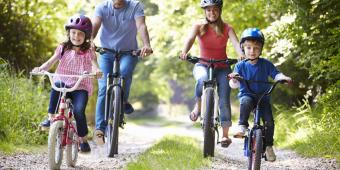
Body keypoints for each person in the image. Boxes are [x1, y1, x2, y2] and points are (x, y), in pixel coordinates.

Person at [179, 0, 245, 148]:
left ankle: (225, 135)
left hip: (222, 66)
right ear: (205, 12)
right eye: (208, 10)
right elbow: (190, 40)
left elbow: (235, 43)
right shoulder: (199, 26)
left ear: (220, 11)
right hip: (202, 64)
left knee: (224, 98)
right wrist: (184, 51)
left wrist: (241, 54)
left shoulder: (227, 28)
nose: (212, 13)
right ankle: (198, 106)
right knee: (202, 79)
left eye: (215, 10)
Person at [31, 15, 102, 152]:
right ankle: (51, 117)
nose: (76, 36)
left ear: (86, 36)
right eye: (73, 32)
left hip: (80, 86)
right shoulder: (63, 48)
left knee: (78, 111)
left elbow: (94, 64)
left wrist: (97, 70)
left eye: (80, 33)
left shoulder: (88, 51)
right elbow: (51, 62)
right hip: (63, 81)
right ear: (68, 33)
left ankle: (82, 139)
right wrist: (40, 68)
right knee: (56, 85)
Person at [92, 0, 153, 144]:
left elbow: (141, 25)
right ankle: (100, 129)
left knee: (125, 73)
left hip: (129, 52)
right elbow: (95, 24)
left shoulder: (135, 6)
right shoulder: (102, 7)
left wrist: (146, 44)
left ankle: (122, 99)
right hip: (106, 52)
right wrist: (89, 39)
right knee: (103, 88)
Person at [228, 28, 292, 161]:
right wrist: (234, 78)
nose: (252, 51)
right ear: (243, 48)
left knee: (269, 122)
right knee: (245, 102)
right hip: (248, 95)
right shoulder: (240, 66)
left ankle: (268, 146)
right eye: (249, 48)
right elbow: (234, 84)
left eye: (256, 48)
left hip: (263, 97)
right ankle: (242, 126)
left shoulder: (266, 64)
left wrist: (283, 78)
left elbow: (276, 74)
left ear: (261, 49)